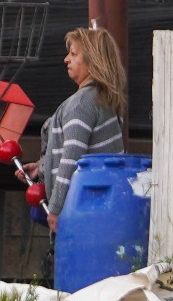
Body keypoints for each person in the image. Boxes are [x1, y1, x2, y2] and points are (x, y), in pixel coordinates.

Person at [19, 26, 127, 232]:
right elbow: (85, 149)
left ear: (93, 60)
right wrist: (42, 166)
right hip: (104, 204)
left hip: (79, 208)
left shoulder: (81, 104)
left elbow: (71, 159)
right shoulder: (104, 100)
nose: (66, 59)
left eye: (73, 54)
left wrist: (56, 209)